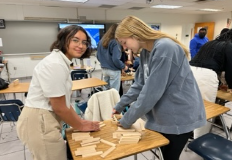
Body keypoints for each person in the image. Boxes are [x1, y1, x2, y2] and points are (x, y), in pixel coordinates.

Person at [112, 15, 206, 160]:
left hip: (179, 116)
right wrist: (119, 106)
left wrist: (127, 119)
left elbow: (151, 92)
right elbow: (139, 84)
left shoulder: (165, 48)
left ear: (135, 34)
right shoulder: (145, 52)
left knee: (169, 157)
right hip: (163, 115)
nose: (125, 48)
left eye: (124, 42)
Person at [16, 25, 100, 160]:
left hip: (42, 118)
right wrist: (80, 126)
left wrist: (80, 122)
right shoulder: (55, 64)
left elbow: (64, 103)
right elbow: (59, 107)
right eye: (75, 40)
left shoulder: (61, 61)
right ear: (63, 40)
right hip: (39, 120)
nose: (81, 45)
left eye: (84, 42)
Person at [190, 28, 232, 138]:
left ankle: (189, 133)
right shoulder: (229, 46)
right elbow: (230, 70)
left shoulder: (211, 43)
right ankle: (199, 140)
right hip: (205, 76)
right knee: (206, 111)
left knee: (193, 105)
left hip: (190, 72)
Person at [97, 24, 128, 91]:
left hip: (104, 70)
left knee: (106, 91)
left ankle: (106, 102)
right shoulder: (115, 42)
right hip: (114, 70)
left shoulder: (101, 41)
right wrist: (123, 66)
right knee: (114, 93)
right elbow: (116, 59)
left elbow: (98, 57)